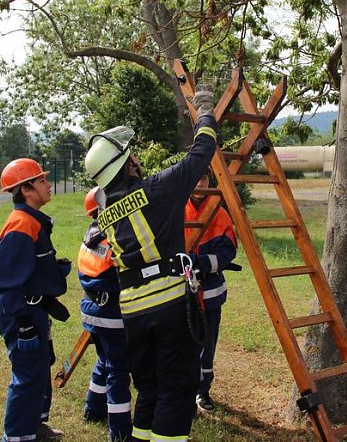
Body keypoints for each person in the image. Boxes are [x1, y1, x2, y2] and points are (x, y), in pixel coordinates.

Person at [83, 83, 217, 442]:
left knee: (150, 388)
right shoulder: (157, 190)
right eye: (132, 157)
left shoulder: (104, 213)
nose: (137, 161)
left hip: (133, 312)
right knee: (177, 388)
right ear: (126, 165)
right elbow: (201, 153)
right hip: (169, 304)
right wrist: (205, 113)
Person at [0, 158, 71, 442]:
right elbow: (7, 283)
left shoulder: (33, 220)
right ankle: (16, 437)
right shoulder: (21, 225)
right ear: (26, 190)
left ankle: (35, 427)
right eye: (41, 181)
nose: (48, 185)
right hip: (20, 311)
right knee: (27, 376)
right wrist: (23, 323)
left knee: (39, 370)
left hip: (33, 308)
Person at [78, 187, 132, 441]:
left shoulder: (90, 236)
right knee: (118, 370)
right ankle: (120, 431)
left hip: (92, 311)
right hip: (111, 314)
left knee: (104, 361)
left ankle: (93, 409)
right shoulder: (114, 239)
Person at [184, 173, 238, 412]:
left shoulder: (219, 213)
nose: (199, 183)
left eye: (204, 178)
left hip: (210, 293)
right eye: (196, 177)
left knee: (207, 345)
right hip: (180, 294)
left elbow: (227, 252)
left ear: (210, 181)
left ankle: (202, 390)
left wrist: (201, 263)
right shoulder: (176, 207)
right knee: (181, 345)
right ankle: (183, 393)